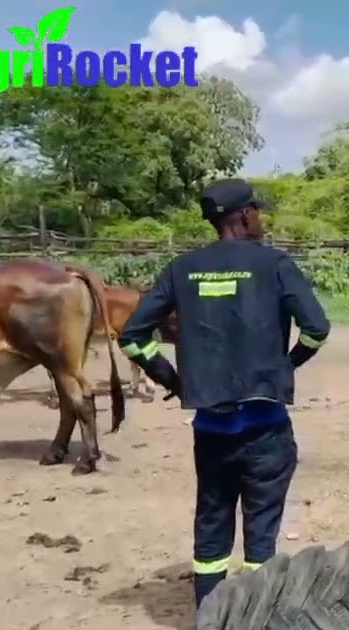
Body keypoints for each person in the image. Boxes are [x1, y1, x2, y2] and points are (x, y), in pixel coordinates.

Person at [118, 178, 331, 607]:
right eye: (257, 211)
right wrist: (286, 366)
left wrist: (172, 379)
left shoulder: (182, 269)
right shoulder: (274, 264)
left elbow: (133, 337)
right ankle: (253, 623)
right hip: (266, 429)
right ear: (245, 215)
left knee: (211, 526)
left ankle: (209, 624)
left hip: (211, 431)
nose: (260, 218)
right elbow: (317, 329)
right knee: (261, 533)